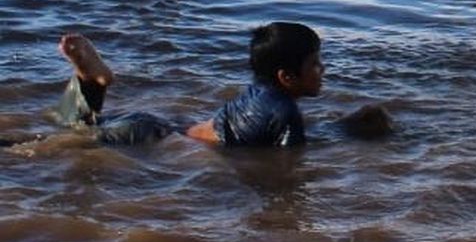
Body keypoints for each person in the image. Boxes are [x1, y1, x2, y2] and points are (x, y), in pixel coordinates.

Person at [52, 21, 387, 147]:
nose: (322, 69)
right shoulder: (286, 112)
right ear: (286, 77)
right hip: (153, 136)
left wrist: (347, 125)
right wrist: (352, 133)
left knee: (76, 127)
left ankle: (91, 80)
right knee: (65, 140)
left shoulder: (263, 95)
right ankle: (92, 80)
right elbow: (292, 160)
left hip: (154, 126)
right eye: (315, 63)